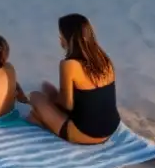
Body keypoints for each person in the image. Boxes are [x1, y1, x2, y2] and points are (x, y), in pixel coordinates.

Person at [27, 13, 120, 144]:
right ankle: (44, 118)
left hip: (86, 133)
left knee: (35, 96)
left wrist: (52, 99)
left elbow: (67, 105)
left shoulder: (69, 65)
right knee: (48, 90)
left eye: (62, 36)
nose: (60, 40)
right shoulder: (104, 59)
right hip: (110, 128)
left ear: (70, 38)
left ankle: (43, 122)